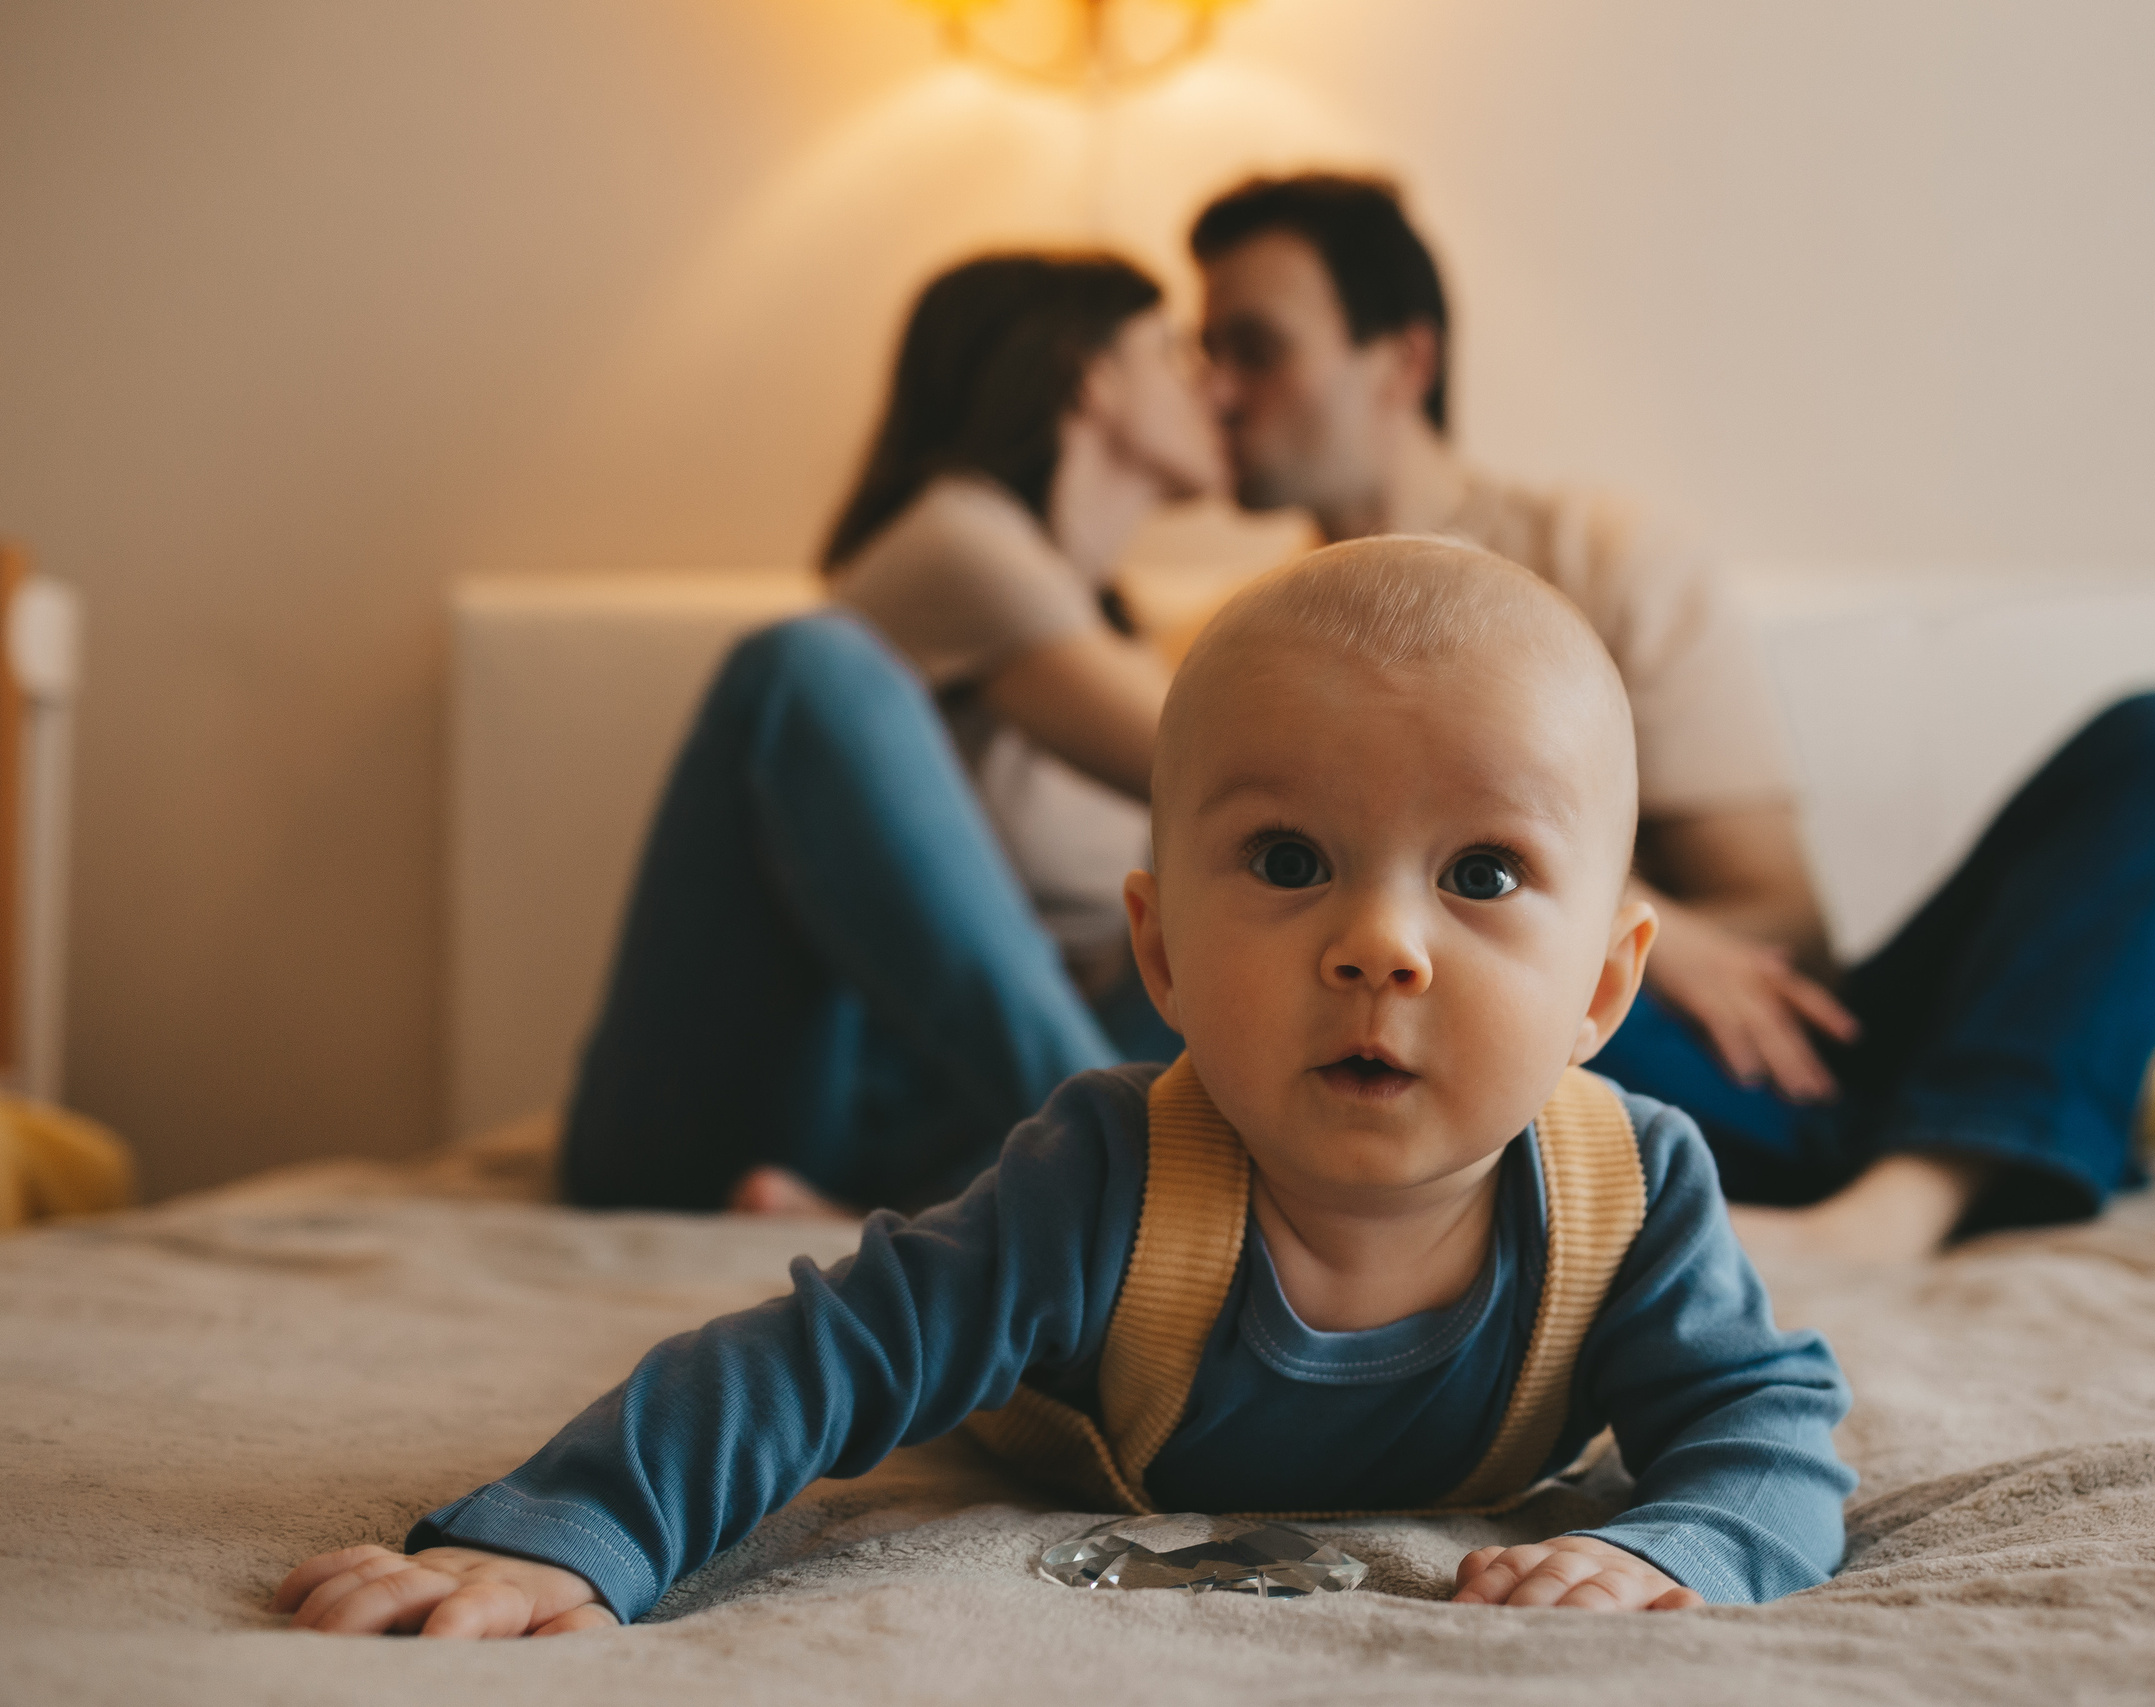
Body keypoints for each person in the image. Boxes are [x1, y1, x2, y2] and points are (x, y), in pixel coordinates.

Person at [270, 541, 1857, 1636]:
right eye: (1290, 861)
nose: (1382, 944)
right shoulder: (1101, 1177)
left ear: (1604, 984)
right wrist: (569, 1530)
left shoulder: (1633, 1191)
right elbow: (812, 1361)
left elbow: (1771, 1426)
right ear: (1157, 952)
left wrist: (1676, 1545)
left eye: (1485, 871)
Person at [1189, 173, 2155, 1259]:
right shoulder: (1229, 650)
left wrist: (1627, 929)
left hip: (1756, 1057)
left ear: (1402, 360)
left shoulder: (1602, 555)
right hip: (1541, 1072)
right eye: (1202, 356)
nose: (1216, 391)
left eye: (1254, 347)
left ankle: (1901, 1198)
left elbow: (1776, 923)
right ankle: (2007, 1148)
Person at [559, 252, 1220, 1217]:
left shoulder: (1110, 624)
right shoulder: (959, 541)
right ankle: (1127, 1184)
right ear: (1091, 373)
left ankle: (975, 1214)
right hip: (777, 1105)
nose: (1210, 380)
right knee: (803, 665)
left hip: (942, 1128)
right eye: (1173, 347)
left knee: (1221, 921)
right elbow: (1238, 774)